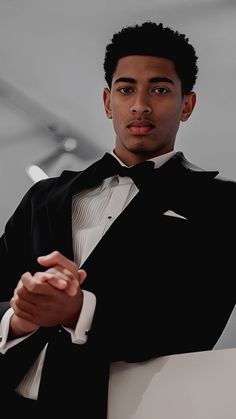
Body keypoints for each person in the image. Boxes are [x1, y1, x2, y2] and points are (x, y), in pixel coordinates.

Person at [0, 21, 235, 417]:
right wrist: (19, 319)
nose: (140, 104)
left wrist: (78, 311)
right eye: (126, 90)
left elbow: (196, 322)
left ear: (187, 104)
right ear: (108, 102)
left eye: (160, 90)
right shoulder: (44, 196)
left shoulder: (223, 204)